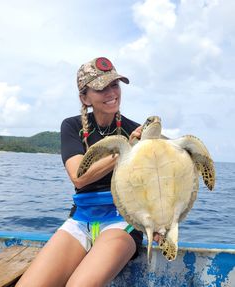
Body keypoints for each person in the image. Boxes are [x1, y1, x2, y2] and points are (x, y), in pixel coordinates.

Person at [16, 57, 159, 287]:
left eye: (115, 84)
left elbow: (166, 169)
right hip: (81, 220)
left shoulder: (136, 131)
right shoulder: (72, 126)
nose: (111, 92)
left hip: (122, 222)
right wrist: (125, 149)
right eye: (101, 87)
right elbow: (79, 177)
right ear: (85, 97)